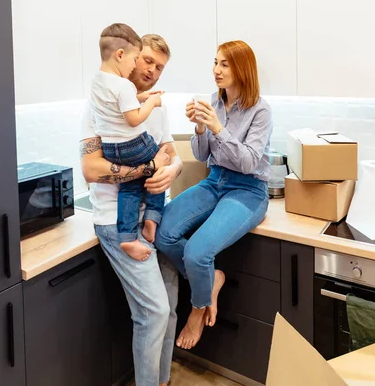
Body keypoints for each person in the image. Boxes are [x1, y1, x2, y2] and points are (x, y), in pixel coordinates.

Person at [155, 40, 272, 350]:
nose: (216, 70)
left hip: (247, 190)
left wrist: (218, 128)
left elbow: (248, 161)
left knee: (196, 252)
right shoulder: (213, 101)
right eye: (215, 62)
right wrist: (199, 129)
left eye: (224, 64)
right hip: (215, 181)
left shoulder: (260, 110)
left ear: (242, 69)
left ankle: (197, 309)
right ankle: (211, 280)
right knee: (163, 233)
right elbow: (202, 154)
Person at [80, 34, 182, 386]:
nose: (152, 71)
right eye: (148, 61)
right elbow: (91, 170)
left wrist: (172, 169)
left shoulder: (155, 106)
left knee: (168, 311)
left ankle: (163, 380)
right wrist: (150, 168)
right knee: (154, 313)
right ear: (131, 57)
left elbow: (170, 151)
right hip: (115, 222)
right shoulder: (100, 105)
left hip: (154, 219)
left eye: (160, 68)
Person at [90, 23, 165, 261]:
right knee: (158, 163)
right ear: (121, 55)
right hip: (132, 146)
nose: (151, 70)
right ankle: (153, 218)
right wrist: (151, 103)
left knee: (131, 186)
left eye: (160, 67)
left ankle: (128, 237)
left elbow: (121, 104)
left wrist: (143, 97)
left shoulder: (98, 82)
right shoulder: (123, 86)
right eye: (141, 60)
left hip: (113, 150)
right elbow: (133, 118)